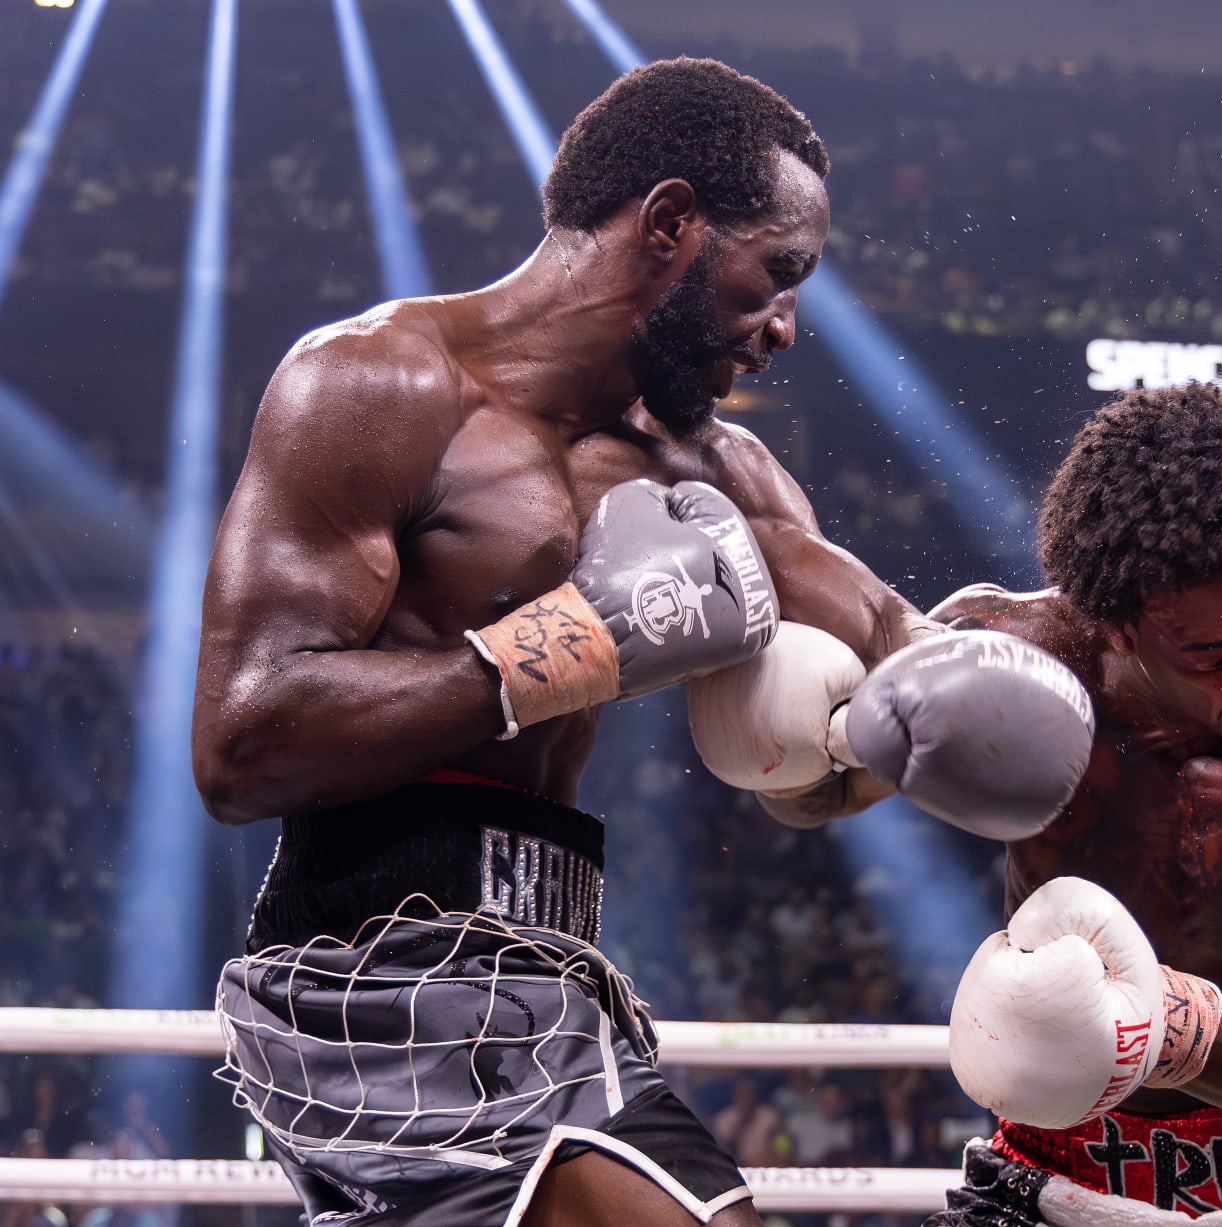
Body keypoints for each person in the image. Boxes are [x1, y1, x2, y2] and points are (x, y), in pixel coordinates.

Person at [192, 58, 1092, 1227]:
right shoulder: (376, 386)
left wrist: (884, 739)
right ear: (669, 224)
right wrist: (563, 646)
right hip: (364, 974)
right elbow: (244, 744)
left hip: (547, 972)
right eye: (779, 271)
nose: (786, 325)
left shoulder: (723, 473)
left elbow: (873, 657)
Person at [703, 383, 1222, 1222]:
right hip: (1056, 1187)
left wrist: (1145, 1024)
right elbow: (817, 800)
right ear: (1117, 627)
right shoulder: (1016, 665)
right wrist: (795, 752)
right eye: (1221, 654)